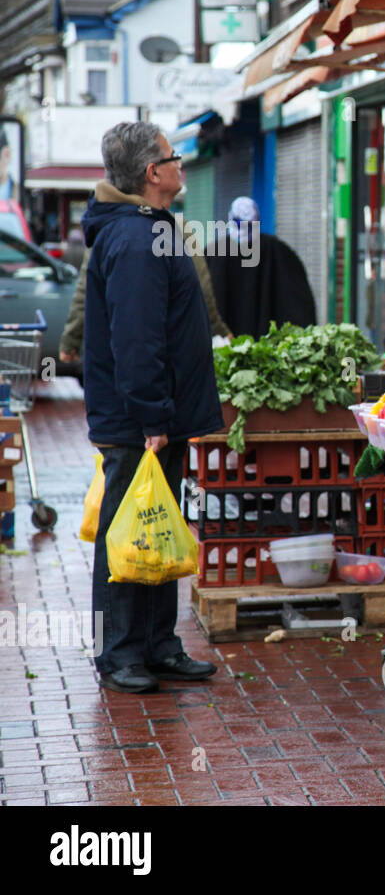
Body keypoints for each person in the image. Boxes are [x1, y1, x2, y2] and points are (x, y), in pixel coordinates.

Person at [81, 121, 224, 694]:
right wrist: (152, 418)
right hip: (140, 422)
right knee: (126, 531)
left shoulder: (150, 229)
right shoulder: (136, 240)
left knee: (157, 524)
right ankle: (118, 652)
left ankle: (159, 645)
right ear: (152, 172)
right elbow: (136, 339)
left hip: (157, 415)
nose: (181, 163)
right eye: (174, 156)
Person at [60, 211, 229, 363]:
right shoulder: (176, 226)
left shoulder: (105, 227)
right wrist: (218, 330)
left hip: (116, 344)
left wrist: (71, 339)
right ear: (153, 177)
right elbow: (201, 287)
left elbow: (86, 289)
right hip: (168, 345)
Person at [205, 196, 317, 337]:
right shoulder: (279, 252)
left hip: (223, 349)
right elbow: (300, 308)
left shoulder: (212, 253)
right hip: (268, 352)